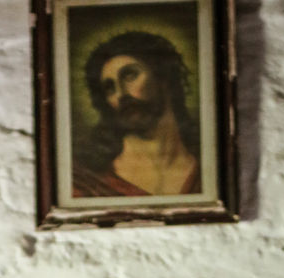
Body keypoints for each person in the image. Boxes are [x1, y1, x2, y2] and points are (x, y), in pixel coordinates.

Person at [72, 30, 200, 199]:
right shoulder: (89, 182)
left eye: (130, 75)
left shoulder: (208, 170)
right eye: (110, 88)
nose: (121, 94)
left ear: (163, 77)